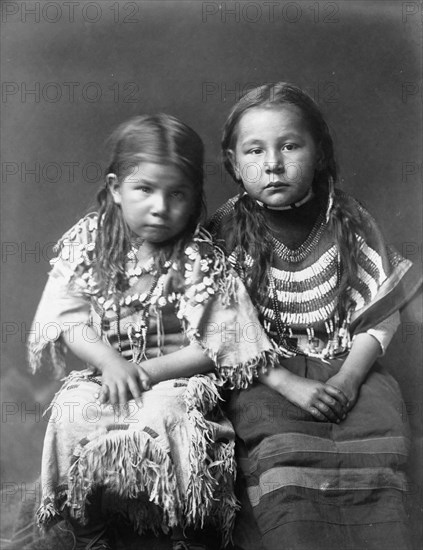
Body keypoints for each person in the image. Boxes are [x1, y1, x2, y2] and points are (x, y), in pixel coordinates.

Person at [28, 114, 278, 550]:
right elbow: (66, 317)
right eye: (144, 189)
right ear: (115, 189)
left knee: (167, 416)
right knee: (72, 410)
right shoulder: (89, 243)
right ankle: (88, 527)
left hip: (177, 378)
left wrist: (148, 371)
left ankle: (187, 528)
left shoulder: (200, 259)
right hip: (109, 371)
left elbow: (223, 345)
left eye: (177, 193)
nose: (161, 206)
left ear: (195, 196)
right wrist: (109, 362)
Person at [208, 83, 422, 550]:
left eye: (289, 145)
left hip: (347, 362)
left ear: (319, 151)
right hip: (266, 375)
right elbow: (225, 332)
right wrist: (288, 383)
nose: (273, 164)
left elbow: (379, 314)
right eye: (254, 150)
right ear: (231, 162)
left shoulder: (348, 219)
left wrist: (348, 379)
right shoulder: (223, 233)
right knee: (276, 442)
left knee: (377, 423)